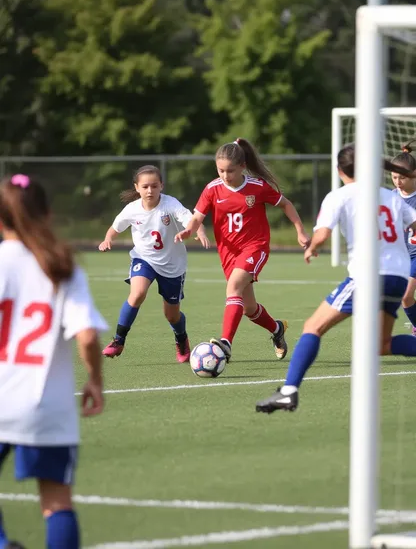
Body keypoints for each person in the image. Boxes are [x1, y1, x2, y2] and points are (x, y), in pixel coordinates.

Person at [256, 145, 416, 414]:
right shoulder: (391, 197)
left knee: (312, 327)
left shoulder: (340, 196)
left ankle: (288, 391)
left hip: (368, 276)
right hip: (398, 276)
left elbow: (322, 233)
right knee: (382, 344)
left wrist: (312, 247)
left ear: (340, 171)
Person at [0, 174, 107, 549]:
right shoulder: (60, 264)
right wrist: (95, 379)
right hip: (45, 403)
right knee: (57, 502)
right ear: (47, 214)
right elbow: (88, 336)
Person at [174, 138, 310, 362]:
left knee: (233, 287)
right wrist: (189, 230)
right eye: (220, 170)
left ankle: (225, 343)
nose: (225, 175)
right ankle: (277, 329)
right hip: (228, 253)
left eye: (230, 170)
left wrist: (300, 231)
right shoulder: (212, 189)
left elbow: (286, 204)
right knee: (248, 308)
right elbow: (197, 217)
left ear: (243, 166)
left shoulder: (257, 187)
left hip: (255, 248)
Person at [99, 165, 210, 362]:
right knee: (137, 294)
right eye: (145, 186)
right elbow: (114, 228)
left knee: (171, 316)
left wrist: (199, 231)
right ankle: (118, 340)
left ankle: (181, 337)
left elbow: (191, 220)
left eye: (154, 186)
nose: (150, 191)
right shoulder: (131, 210)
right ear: (137, 188)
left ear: (161, 186)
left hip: (172, 265)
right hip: (144, 258)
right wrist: (108, 239)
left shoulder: (170, 204)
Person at [391, 141, 416, 334]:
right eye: (394, 177)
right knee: (405, 298)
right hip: (403, 256)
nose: (398, 182)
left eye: (402, 178)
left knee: (406, 295)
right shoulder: (391, 197)